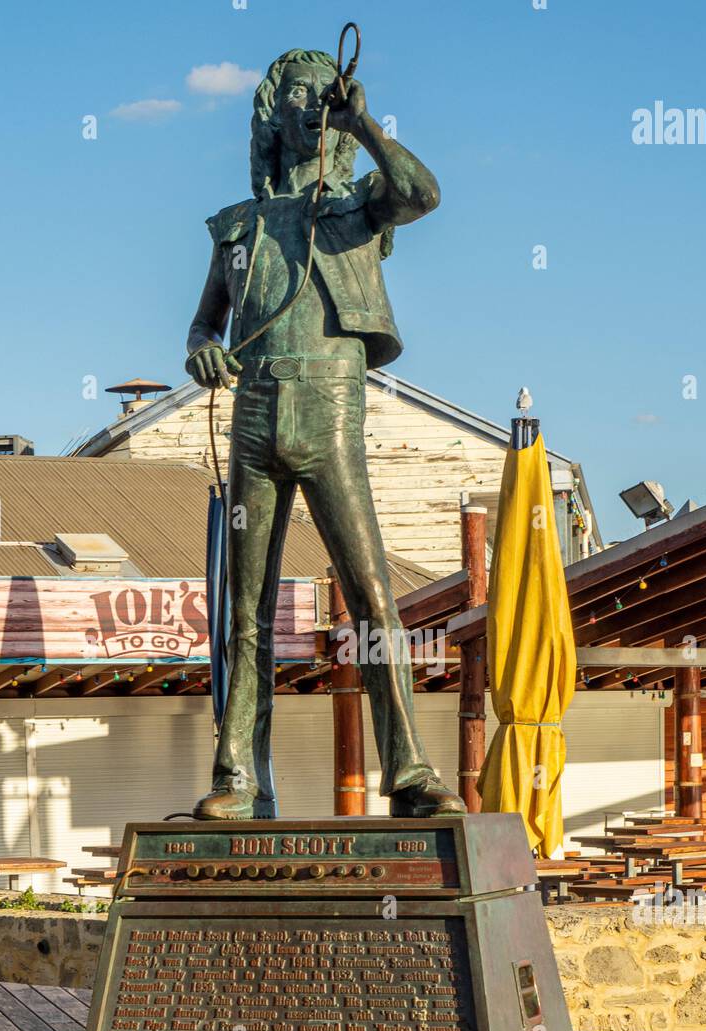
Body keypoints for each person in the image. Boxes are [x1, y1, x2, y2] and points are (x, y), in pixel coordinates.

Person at [186, 48, 465, 820]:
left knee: (374, 597)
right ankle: (238, 775)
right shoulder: (237, 226)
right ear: (274, 113)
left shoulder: (360, 207)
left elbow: (424, 192)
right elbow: (205, 322)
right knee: (248, 607)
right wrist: (202, 347)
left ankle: (408, 771)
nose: (311, 106)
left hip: (329, 412)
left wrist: (363, 124)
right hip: (254, 418)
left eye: (323, 97)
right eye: (299, 96)